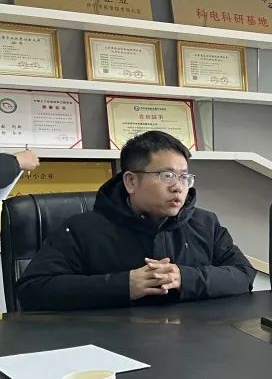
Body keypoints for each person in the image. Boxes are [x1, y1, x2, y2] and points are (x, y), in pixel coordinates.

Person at [17, 130, 256, 310]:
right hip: (108, 344)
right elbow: (33, 290)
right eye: (167, 175)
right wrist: (123, 286)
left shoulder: (205, 223)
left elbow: (244, 274)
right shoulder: (82, 229)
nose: (178, 187)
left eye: (184, 177)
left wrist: (185, 278)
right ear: (131, 182)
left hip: (192, 342)